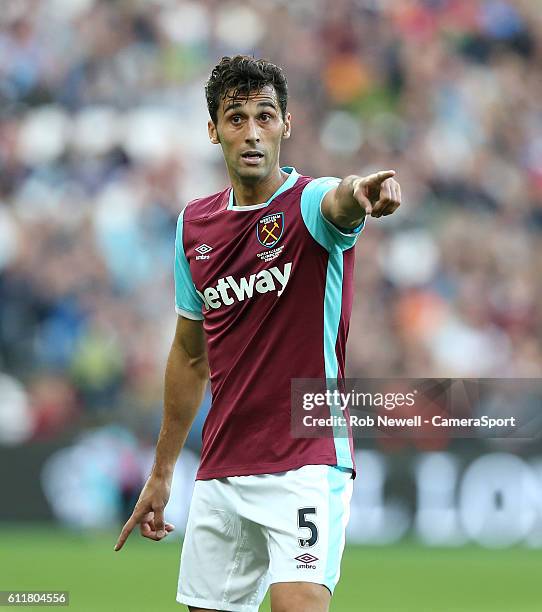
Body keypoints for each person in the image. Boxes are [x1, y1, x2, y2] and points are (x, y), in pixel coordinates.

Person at [114, 55, 401, 612]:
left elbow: (342, 198)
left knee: (297, 605)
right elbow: (189, 355)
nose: (251, 133)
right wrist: (162, 471)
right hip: (223, 466)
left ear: (286, 125)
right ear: (212, 130)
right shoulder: (193, 225)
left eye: (265, 117)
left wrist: (363, 190)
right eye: (236, 117)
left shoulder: (310, 206)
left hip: (304, 456)